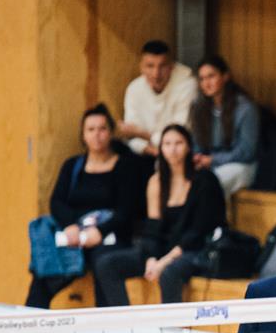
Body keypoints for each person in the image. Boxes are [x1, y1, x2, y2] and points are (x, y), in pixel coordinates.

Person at [26, 105, 146, 309]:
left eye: (102, 129)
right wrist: (71, 226)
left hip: (110, 237)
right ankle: (30, 322)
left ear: (111, 132)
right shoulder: (72, 166)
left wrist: (100, 231)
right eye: (91, 129)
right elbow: (57, 201)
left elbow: (126, 210)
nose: (97, 135)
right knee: (44, 268)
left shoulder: (126, 166)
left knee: (104, 264)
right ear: (83, 135)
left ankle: (106, 326)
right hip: (75, 235)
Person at [92, 124, 227, 305]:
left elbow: (197, 232)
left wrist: (163, 262)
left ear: (189, 147)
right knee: (106, 264)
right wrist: (151, 258)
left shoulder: (205, 180)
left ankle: (172, 323)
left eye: (178, 143)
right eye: (167, 144)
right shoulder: (156, 182)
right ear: (161, 148)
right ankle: (124, 320)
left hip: (195, 250)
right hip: (163, 248)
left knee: (169, 273)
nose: (173, 149)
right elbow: (153, 230)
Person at [188, 55, 260, 198]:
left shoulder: (245, 108)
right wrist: (197, 158)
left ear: (225, 76)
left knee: (211, 184)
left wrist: (213, 160)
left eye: (211, 76)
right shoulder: (198, 106)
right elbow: (196, 144)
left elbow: (247, 152)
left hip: (240, 165)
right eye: (202, 79)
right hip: (209, 163)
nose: (206, 83)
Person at [118, 39, 197, 159]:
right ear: (141, 67)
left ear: (172, 66)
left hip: (180, 154)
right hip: (145, 153)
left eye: (162, 66)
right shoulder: (134, 88)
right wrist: (153, 151)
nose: (156, 74)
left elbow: (179, 135)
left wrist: (143, 134)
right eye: (150, 66)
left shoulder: (187, 85)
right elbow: (132, 136)